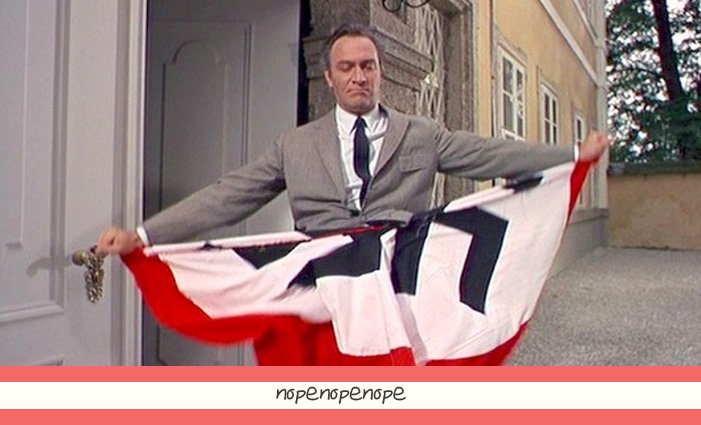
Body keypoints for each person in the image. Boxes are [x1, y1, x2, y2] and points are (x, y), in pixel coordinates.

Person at [97, 23, 608, 256]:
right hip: (323, 279)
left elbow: (489, 153)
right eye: (347, 67)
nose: (359, 76)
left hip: (401, 277)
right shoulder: (294, 146)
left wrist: (569, 155)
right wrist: (144, 235)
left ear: (380, 71)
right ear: (329, 77)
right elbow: (228, 196)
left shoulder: (421, 133)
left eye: (368, 66)